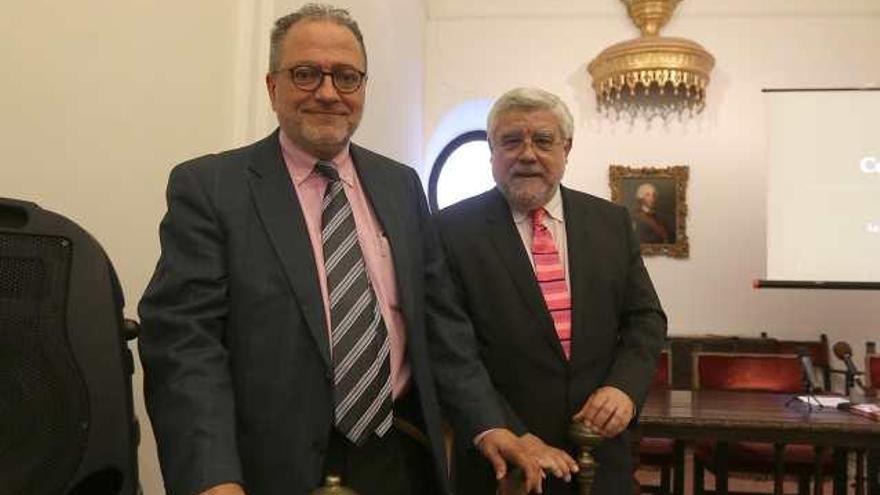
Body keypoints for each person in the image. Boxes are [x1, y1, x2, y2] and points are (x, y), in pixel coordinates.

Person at [138, 5, 547, 495]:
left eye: (346, 77)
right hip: (268, 468)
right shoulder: (211, 188)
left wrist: (488, 423)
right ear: (273, 87)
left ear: (363, 89)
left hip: (398, 457)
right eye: (306, 74)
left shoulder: (401, 185)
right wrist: (212, 478)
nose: (328, 92)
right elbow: (185, 348)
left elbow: (442, 326)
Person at [434, 87, 668, 494]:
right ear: (492, 150)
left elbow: (644, 319)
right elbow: (453, 352)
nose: (527, 154)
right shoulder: (450, 231)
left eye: (542, 140)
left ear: (566, 148)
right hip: (504, 466)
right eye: (511, 141)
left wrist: (624, 387)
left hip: (600, 455)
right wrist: (509, 432)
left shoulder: (610, 222)